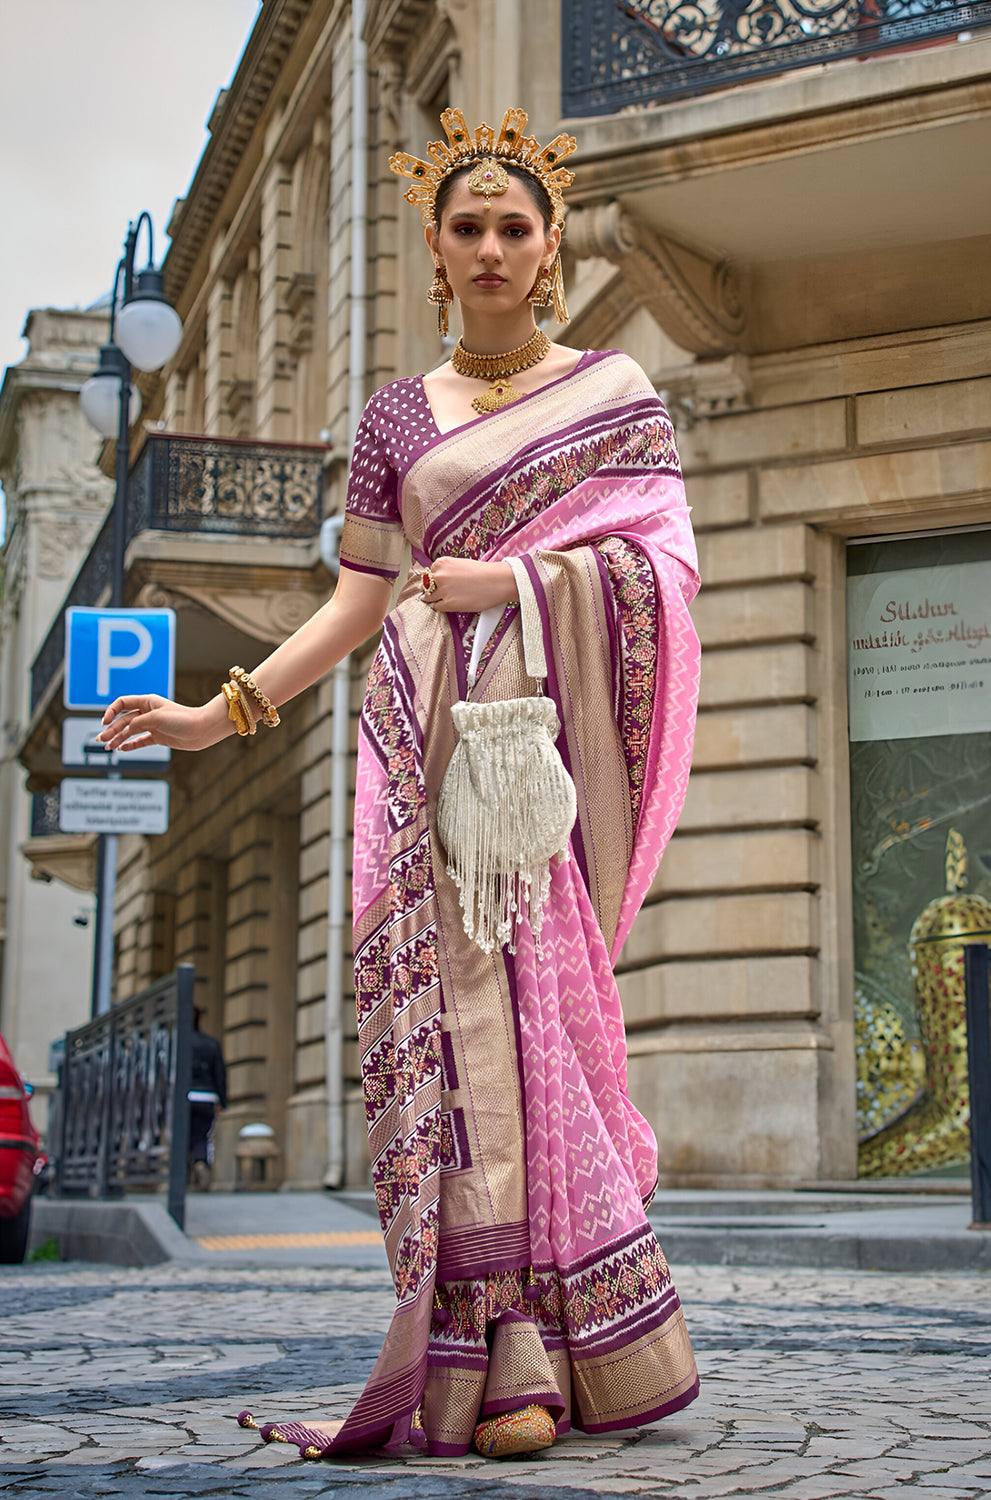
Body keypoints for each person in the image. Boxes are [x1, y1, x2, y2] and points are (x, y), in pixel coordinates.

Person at [99, 105, 702, 1462]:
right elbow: (358, 600)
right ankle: (495, 1343)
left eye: (514, 226)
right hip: (411, 754)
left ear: (547, 248)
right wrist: (221, 711)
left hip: (524, 767)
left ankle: (557, 1338)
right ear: (436, 248)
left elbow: (661, 575)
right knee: (449, 1030)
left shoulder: (615, 396)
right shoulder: (393, 418)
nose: (491, 247)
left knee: (535, 1025)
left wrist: (520, 582)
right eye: (468, 226)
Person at [187, 1007, 227, 1191]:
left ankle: (185, 1172)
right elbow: (220, 1074)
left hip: (186, 1096)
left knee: (184, 1135)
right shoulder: (211, 1043)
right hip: (207, 1096)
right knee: (202, 1135)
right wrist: (222, 1101)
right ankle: (201, 1162)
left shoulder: (178, 1043)